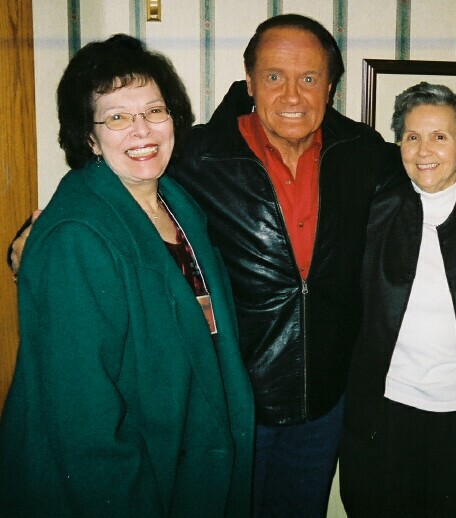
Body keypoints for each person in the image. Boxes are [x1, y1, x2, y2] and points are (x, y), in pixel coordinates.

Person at [0, 35, 254, 515]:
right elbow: (83, 420)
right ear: (89, 137)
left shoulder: (175, 202)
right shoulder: (77, 236)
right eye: (116, 117)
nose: (142, 130)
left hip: (186, 453)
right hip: (126, 481)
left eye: (154, 111)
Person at [168, 14, 402, 517]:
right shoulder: (196, 156)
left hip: (324, 401)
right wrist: (36, 234)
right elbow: (122, 196)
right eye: (274, 76)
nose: (293, 95)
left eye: (309, 78)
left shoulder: (362, 152)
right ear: (249, 81)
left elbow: (441, 179)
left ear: (330, 87)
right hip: (234, 400)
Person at [339, 82, 456, 517]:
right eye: (412, 136)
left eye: (440, 136)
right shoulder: (373, 211)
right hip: (387, 412)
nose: (423, 150)